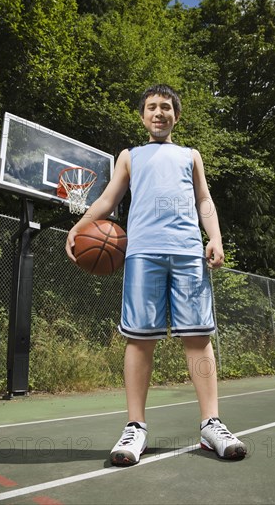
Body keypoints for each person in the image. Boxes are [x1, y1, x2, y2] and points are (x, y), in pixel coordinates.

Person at [66, 84, 247, 465]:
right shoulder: (130, 156)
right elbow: (108, 198)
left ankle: (211, 423)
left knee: (197, 338)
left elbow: (204, 199)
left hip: (186, 254)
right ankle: (135, 428)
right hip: (142, 254)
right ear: (143, 116)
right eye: (152, 107)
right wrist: (80, 226)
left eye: (166, 107)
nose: (159, 112)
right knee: (139, 340)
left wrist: (214, 237)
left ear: (176, 117)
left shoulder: (190, 155)